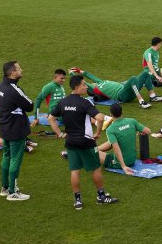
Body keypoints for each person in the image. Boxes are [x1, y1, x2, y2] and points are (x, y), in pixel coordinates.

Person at [49, 74, 117, 209]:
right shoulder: (85, 102)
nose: (86, 87)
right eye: (84, 85)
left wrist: (60, 133)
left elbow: (51, 118)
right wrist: (98, 133)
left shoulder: (63, 102)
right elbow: (100, 117)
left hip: (70, 142)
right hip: (86, 141)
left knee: (75, 171)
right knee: (96, 168)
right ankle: (101, 196)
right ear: (77, 87)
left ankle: (78, 201)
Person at [0, 61, 34, 201]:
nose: (21, 70)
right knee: (15, 159)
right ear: (12, 73)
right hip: (16, 129)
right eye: (19, 69)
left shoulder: (1, 86)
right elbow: (30, 105)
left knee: (6, 156)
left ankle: (5, 187)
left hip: (6, 127)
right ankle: (13, 192)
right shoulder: (14, 89)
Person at [72, 67, 162, 109]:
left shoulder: (100, 82)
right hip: (122, 95)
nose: (93, 82)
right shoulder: (96, 88)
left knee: (145, 74)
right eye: (92, 83)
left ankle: (153, 96)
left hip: (129, 90)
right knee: (132, 78)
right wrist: (71, 74)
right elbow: (85, 83)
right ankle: (141, 102)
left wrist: (79, 70)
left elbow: (89, 75)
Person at [96, 102, 151, 172]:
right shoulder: (132, 121)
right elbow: (148, 131)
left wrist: (123, 166)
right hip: (132, 160)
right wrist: (140, 131)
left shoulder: (110, 130)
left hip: (119, 163)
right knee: (111, 142)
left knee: (92, 153)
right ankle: (96, 149)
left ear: (110, 114)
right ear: (122, 112)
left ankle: (90, 153)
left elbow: (116, 149)